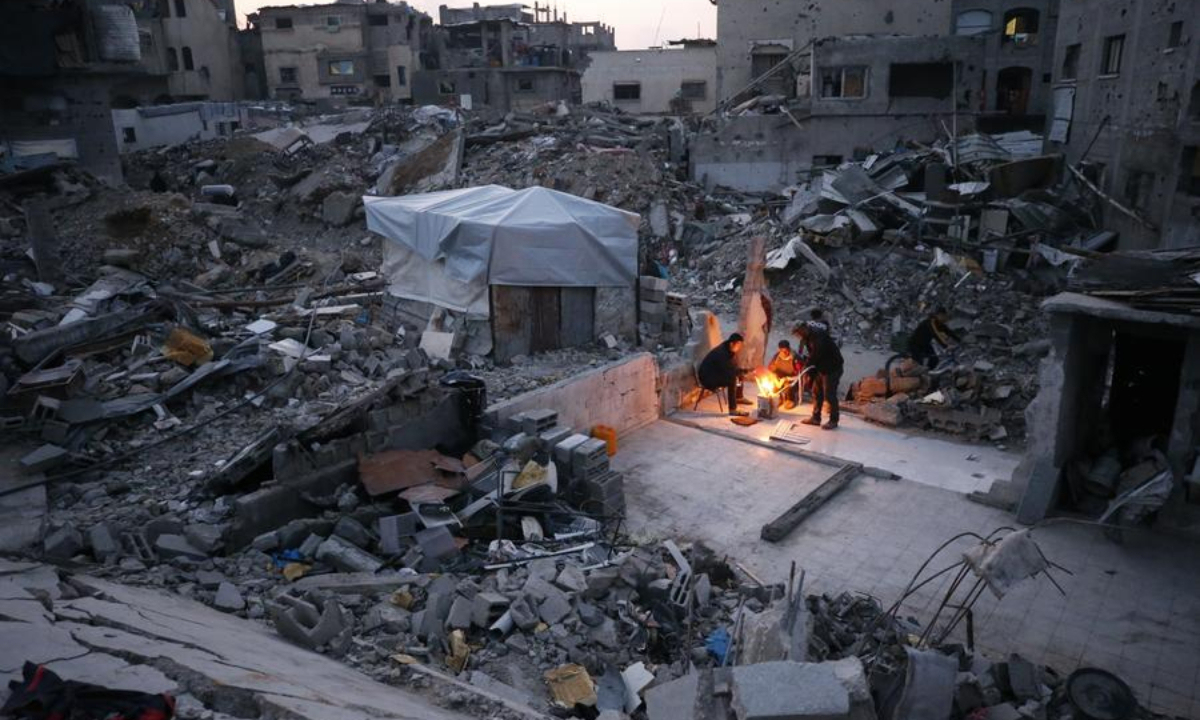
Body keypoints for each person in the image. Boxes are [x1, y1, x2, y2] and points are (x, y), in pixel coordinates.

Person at [792, 309, 844, 430]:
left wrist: (806, 364)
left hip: (832, 368)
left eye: (798, 332)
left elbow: (816, 354)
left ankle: (833, 420)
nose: (798, 335)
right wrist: (809, 370)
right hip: (821, 367)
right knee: (816, 392)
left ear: (804, 328)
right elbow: (810, 354)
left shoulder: (818, 336)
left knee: (829, 394)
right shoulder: (806, 337)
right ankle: (816, 418)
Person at [698, 333, 750, 417]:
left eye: (740, 345)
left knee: (740, 375)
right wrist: (744, 371)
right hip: (707, 378)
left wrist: (742, 371)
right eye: (738, 345)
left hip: (716, 372)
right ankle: (733, 409)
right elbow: (729, 371)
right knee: (732, 380)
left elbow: (733, 367)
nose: (739, 347)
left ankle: (739, 397)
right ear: (731, 343)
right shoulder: (721, 353)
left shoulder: (729, 350)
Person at [768, 340, 802, 410]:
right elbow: (771, 367)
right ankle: (779, 398)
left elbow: (800, 373)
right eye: (782, 351)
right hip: (780, 377)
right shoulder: (777, 356)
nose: (784, 353)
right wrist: (773, 375)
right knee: (773, 383)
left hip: (791, 379)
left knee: (788, 386)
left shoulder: (795, 357)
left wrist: (787, 378)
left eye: (786, 351)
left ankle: (790, 399)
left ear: (789, 349)